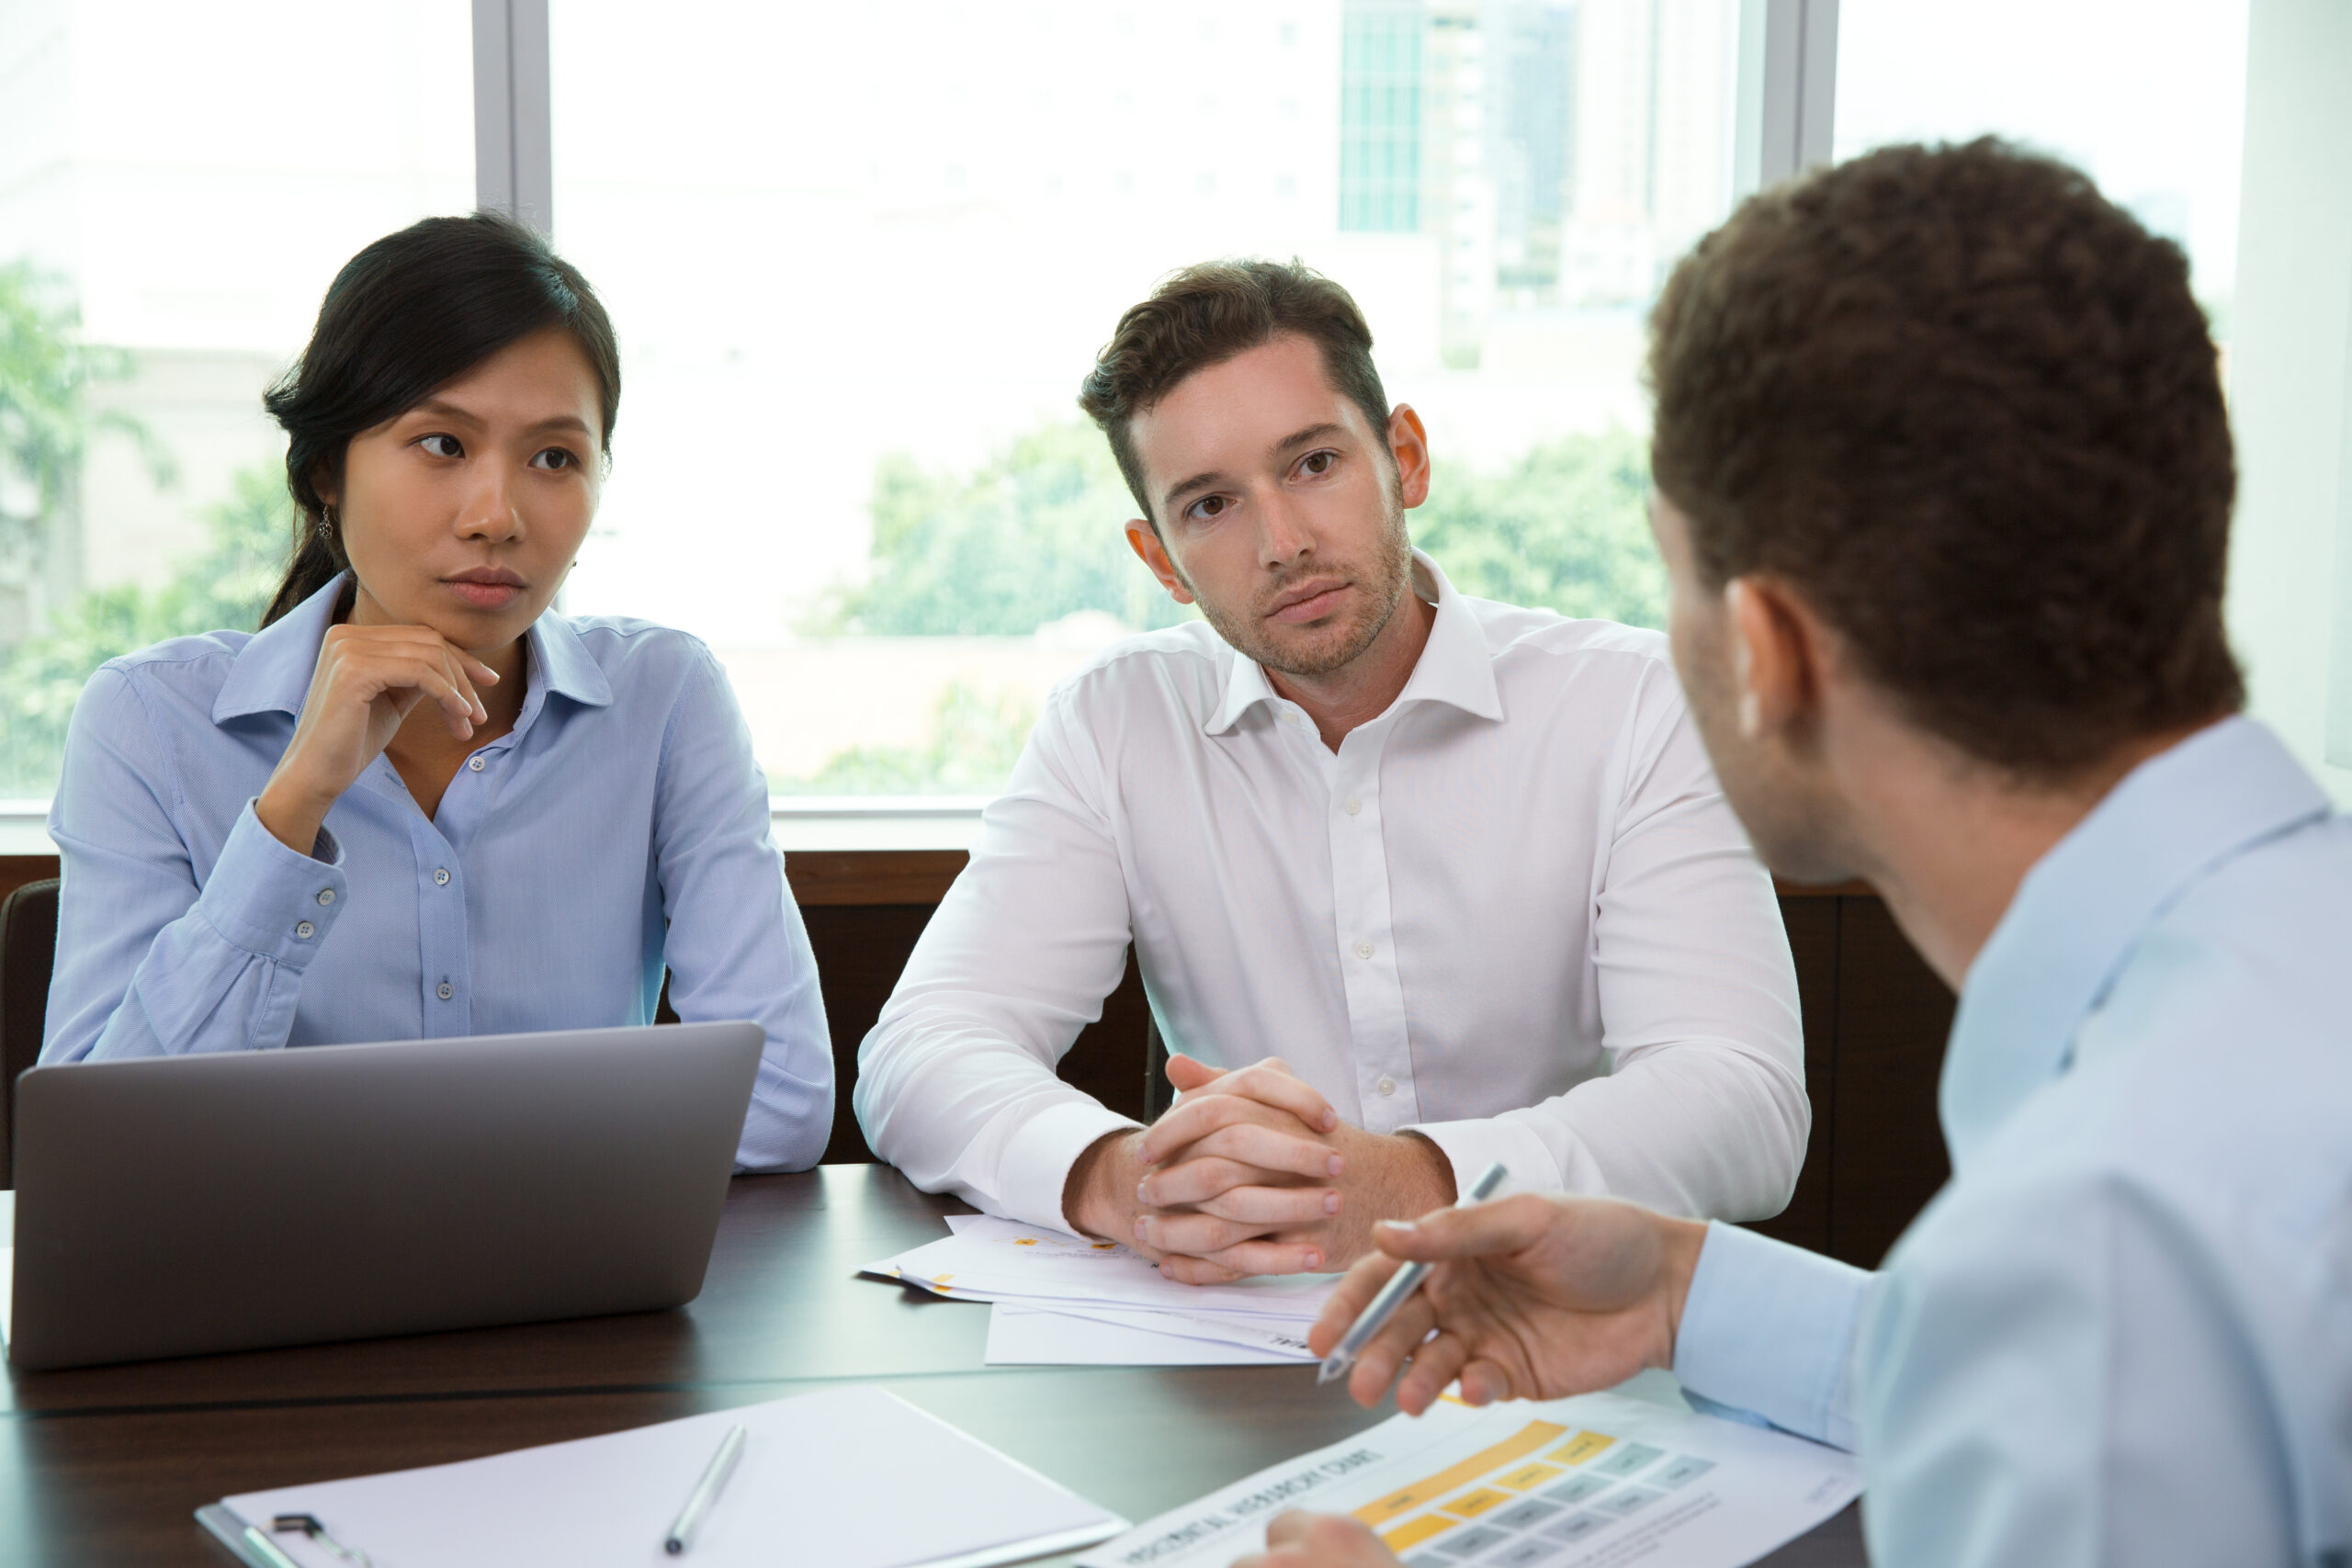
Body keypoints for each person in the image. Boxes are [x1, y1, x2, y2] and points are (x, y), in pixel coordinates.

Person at [1244, 141, 2352, 1567]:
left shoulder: (2110, 1220)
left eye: (1674, 572)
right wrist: (1687, 1290)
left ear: (1768, 652)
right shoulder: (2274, 985)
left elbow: (2109, 1331)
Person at [855, 260, 1810, 1282]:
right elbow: (921, 1050)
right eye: (1212, 505)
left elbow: (1741, 1103)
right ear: (1162, 559)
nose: (1283, 542)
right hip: (1243, 1352)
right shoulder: (1114, 722)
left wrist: (1407, 1189)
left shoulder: (1636, 705)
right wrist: (1116, 1175)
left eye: (1313, 464)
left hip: (1566, 1332)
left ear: (1403, 458)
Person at [41, 213, 832, 1172]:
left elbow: (781, 1109)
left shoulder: (664, 699)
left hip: (579, 1301)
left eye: (554, 458)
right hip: (265, 1311)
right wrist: (294, 806)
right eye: (442, 444)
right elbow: (105, 1152)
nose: (496, 517)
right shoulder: (149, 721)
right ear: (326, 468)